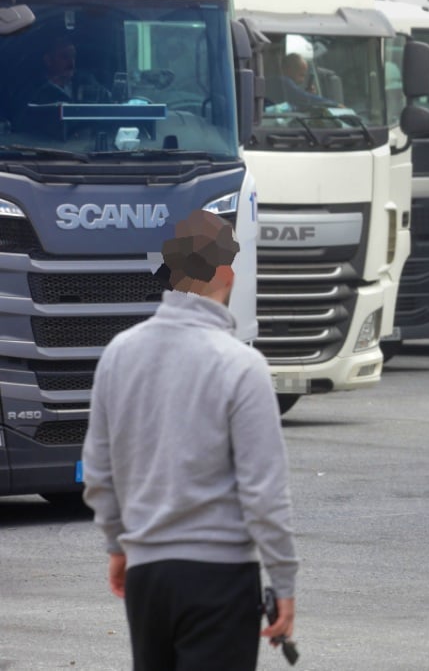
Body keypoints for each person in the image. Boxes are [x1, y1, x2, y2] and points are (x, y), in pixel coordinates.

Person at [83, 210, 298, 670]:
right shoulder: (241, 366)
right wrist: (283, 582)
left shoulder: (119, 354)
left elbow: (99, 472)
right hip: (219, 577)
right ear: (225, 272)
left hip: (148, 580)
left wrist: (119, 545)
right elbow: (264, 493)